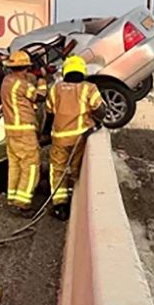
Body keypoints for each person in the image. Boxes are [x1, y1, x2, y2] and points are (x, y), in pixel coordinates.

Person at [45, 56, 107, 221]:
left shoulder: (56, 89)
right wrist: (95, 121)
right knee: (75, 169)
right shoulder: (89, 88)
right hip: (79, 138)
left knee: (57, 170)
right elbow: (101, 111)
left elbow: (49, 113)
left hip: (59, 139)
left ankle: (60, 206)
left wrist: (46, 133)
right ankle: (73, 199)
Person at [0, 50, 47, 217]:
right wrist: (42, 80)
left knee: (15, 166)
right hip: (24, 131)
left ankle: (13, 198)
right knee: (31, 166)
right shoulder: (21, 84)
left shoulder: (7, 81)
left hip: (11, 130)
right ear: (26, 67)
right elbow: (40, 96)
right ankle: (23, 203)